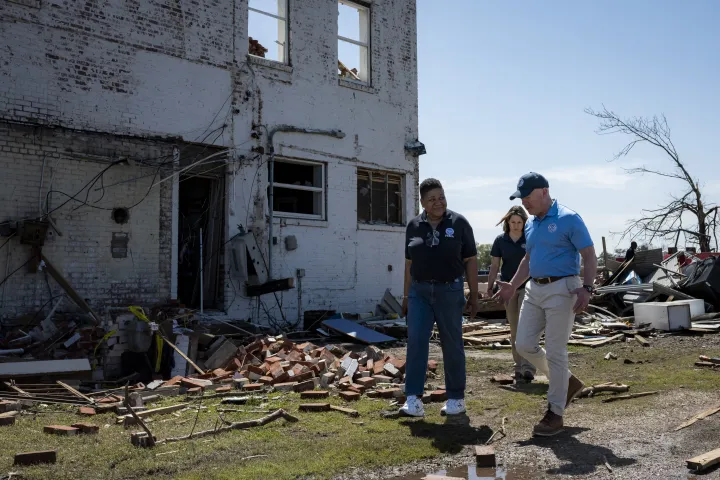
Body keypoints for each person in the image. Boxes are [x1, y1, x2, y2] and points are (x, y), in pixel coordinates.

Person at [495, 172, 597, 436]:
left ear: (544, 191)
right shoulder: (531, 225)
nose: (525, 203)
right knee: (524, 344)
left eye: (528, 197)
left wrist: (587, 288)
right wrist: (513, 285)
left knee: (555, 350)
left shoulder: (568, 218)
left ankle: (555, 412)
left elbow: (589, 254)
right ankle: (567, 381)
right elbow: (528, 260)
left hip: (563, 288)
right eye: (522, 198)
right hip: (534, 289)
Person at [400, 178, 479, 417]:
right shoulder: (413, 226)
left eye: (441, 197)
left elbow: (471, 261)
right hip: (419, 293)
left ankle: (456, 398)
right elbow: (408, 264)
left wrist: (474, 295)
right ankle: (413, 399)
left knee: (452, 344)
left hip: (450, 291)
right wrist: (405, 295)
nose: (438, 203)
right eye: (432, 199)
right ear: (422, 202)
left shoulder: (460, 223)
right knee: (416, 342)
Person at [487, 206, 536, 383]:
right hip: (508, 288)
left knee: (527, 327)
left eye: (519, 223)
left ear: (524, 223)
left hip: (527, 287)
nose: (516, 226)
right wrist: (490, 285)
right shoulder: (500, 241)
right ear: (507, 222)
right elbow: (494, 266)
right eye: (513, 222)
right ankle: (518, 366)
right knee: (514, 328)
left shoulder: (529, 238)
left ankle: (529, 367)